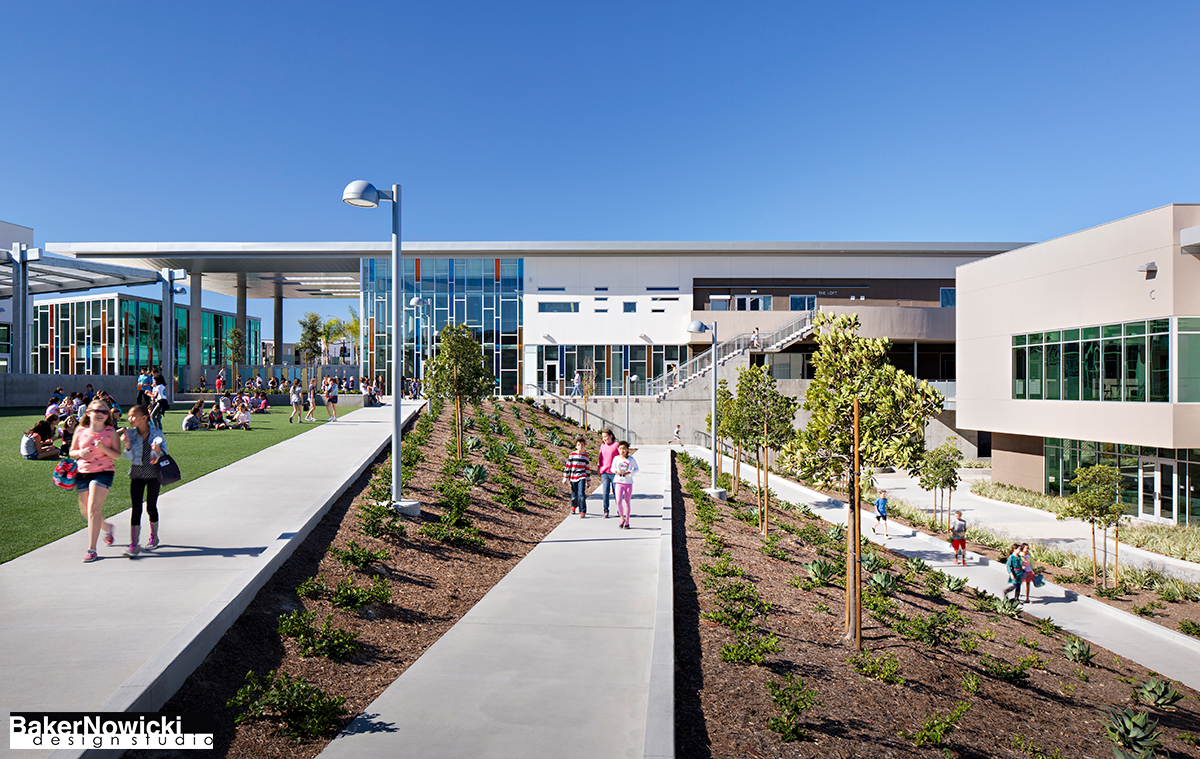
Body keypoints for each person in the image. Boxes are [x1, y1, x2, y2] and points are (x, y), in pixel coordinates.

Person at [71, 400, 121, 562]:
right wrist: (80, 452)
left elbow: (117, 455)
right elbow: (71, 451)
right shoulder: (80, 430)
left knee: (93, 508)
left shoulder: (110, 431)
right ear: (88, 413)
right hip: (83, 471)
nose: (100, 414)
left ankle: (92, 549)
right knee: (87, 512)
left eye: (104, 412)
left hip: (104, 472)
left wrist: (103, 448)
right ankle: (107, 528)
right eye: (97, 411)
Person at [121, 405, 167, 557]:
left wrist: (159, 451)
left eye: (133, 416)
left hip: (154, 475)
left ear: (144, 418)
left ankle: (154, 537)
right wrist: (127, 445)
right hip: (137, 474)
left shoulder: (156, 433)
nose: (130, 419)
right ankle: (134, 544)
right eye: (129, 416)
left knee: (151, 507)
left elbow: (165, 455)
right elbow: (128, 458)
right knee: (136, 508)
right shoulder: (131, 435)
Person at [612, 440, 640, 529]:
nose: (622, 451)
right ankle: (622, 518)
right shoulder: (616, 459)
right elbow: (612, 468)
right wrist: (616, 470)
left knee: (627, 502)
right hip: (618, 482)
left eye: (624, 449)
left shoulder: (631, 459)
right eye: (620, 449)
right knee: (619, 501)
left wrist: (630, 472)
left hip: (628, 482)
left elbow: (636, 468)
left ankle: (627, 521)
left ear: (627, 449)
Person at [562, 436, 591, 518]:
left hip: (582, 476)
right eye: (579, 445)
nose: (580, 446)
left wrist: (588, 481)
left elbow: (587, 469)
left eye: (582, 445)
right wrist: (565, 477)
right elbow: (567, 467)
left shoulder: (586, 456)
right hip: (573, 477)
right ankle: (574, 506)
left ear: (584, 446)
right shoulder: (572, 455)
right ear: (576, 446)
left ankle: (582, 511)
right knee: (574, 494)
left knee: (582, 494)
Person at [596, 429, 619, 519]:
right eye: (603, 437)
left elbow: (620, 457)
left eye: (606, 436)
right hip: (605, 473)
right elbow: (600, 458)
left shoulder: (616, 445)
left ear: (611, 436)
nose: (604, 439)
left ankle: (619, 509)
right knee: (605, 492)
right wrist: (599, 469)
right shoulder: (602, 446)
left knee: (616, 492)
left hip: (614, 473)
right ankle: (606, 510)